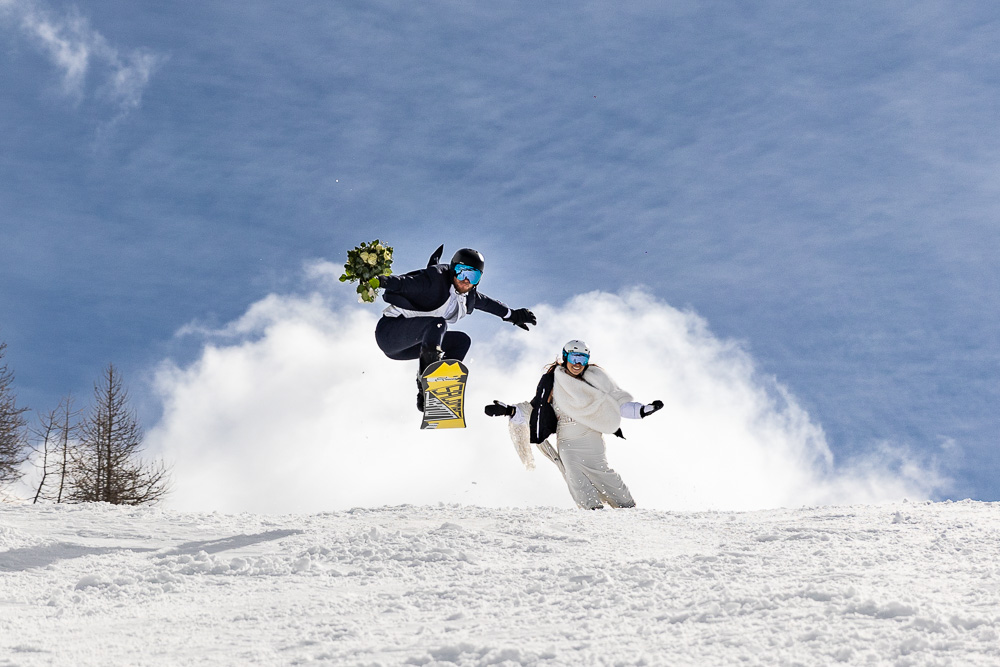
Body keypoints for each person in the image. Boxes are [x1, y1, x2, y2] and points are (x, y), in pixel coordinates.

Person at [484, 340, 663, 510]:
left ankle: (626, 506)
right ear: (565, 357)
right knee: (574, 472)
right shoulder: (552, 383)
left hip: (590, 436)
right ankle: (591, 508)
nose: (577, 364)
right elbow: (533, 408)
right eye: (573, 358)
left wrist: (642, 410)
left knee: (602, 470)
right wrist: (508, 410)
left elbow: (616, 403)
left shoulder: (594, 380)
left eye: (582, 359)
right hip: (567, 439)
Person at [375, 244, 537, 410]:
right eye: (462, 272)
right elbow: (403, 283)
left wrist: (513, 315)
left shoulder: (468, 296)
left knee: (461, 341)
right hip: (390, 334)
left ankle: (438, 391)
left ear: (479, 279)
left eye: (472, 276)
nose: (466, 280)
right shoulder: (433, 280)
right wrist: (379, 280)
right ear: (453, 270)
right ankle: (427, 385)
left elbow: (489, 304)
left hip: (413, 346)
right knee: (438, 324)